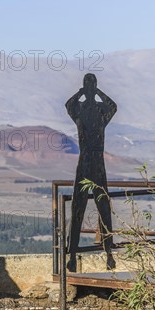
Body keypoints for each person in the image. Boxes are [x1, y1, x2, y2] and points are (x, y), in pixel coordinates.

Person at [65, 73, 117, 272]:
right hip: (85, 160)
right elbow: (68, 104)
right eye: (88, 83)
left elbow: (113, 106)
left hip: (97, 161)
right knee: (78, 207)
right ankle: (72, 256)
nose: (89, 86)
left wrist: (95, 93)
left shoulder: (100, 109)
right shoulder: (80, 109)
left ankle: (109, 253)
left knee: (103, 207)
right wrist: (84, 92)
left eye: (91, 83)